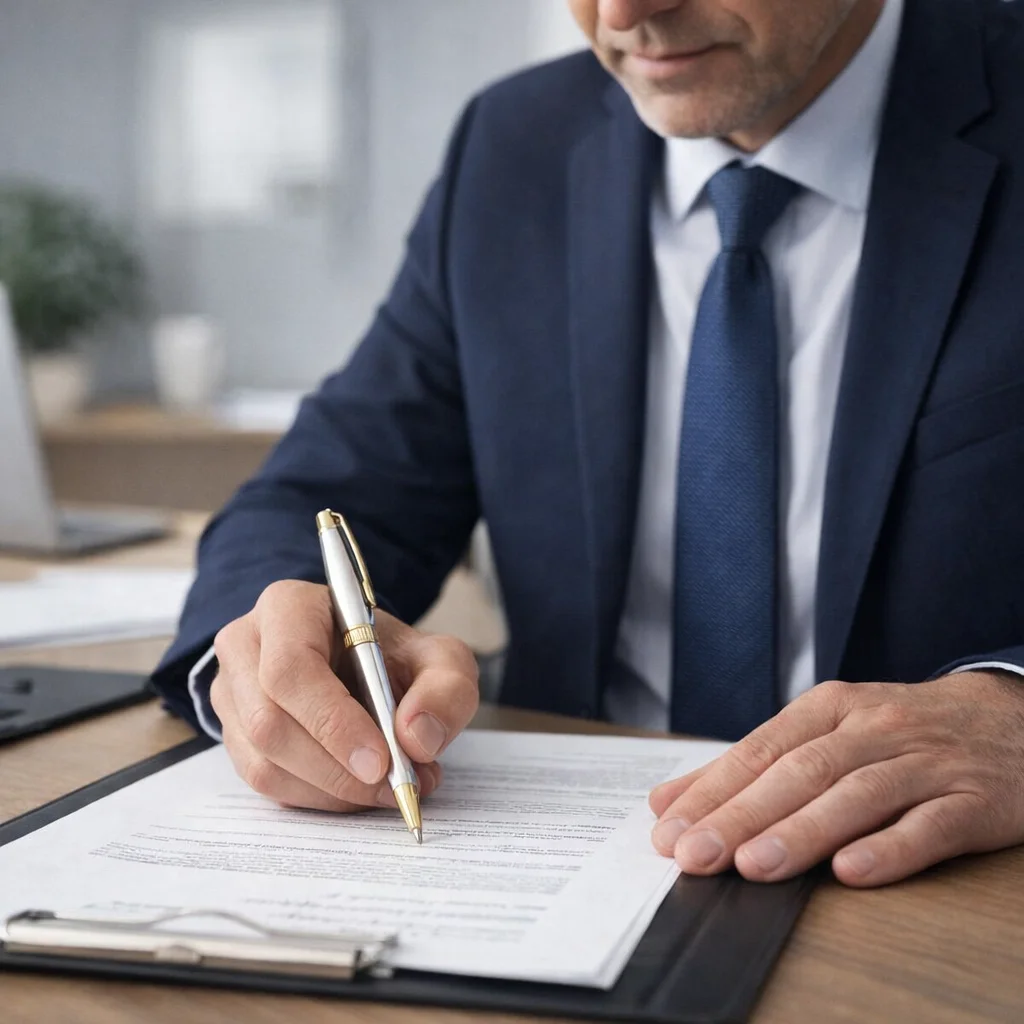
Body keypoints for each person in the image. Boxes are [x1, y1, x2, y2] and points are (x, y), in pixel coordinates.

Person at [153, 0, 1024, 890]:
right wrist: (265, 653)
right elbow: (333, 488)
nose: (622, 11)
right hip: (560, 864)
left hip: (929, 891)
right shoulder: (514, 144)